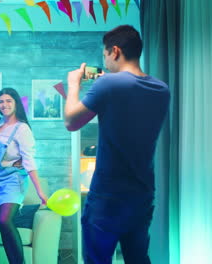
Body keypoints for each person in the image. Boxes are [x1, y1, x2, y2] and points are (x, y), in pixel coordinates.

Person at [64, 25, 170, 264]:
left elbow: (71, 121)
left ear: (115, 51)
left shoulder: (108, 85)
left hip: (107, 196)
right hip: (142, 194)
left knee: (97, 260)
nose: (105, 61)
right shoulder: (161, 90)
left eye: (104, 55)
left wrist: (74, 85)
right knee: (138, 259)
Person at [0, 88, 48, 264]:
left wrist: (40, 191)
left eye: (9, 101)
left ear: (16, 103)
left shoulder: (22, 129)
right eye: (1, 101)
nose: (4, 105)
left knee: (4, 220)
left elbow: (29, 160)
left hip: (13, 180)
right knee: (3, 226)